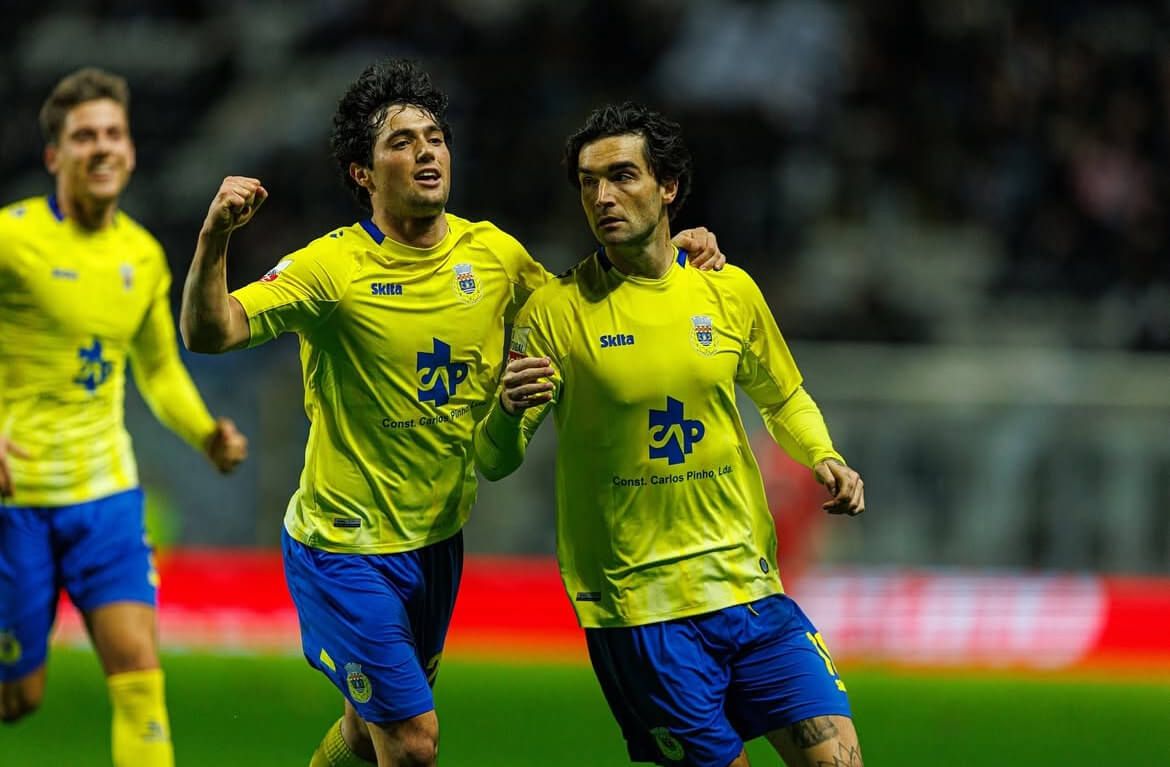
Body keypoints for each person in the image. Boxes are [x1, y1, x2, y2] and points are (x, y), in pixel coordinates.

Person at [179, 59, 724, 767]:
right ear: (363, 175)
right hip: (344, 544)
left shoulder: (492, 254)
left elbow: (582, 308)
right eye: (401, 142)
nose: (426, 151)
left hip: (437, 541)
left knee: (363, 731)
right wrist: (215, 237)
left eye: (434, 136)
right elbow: (209, 332)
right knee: (412, 741)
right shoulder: (330, 268)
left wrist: (669, 256)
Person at [473, 102, 867, 767]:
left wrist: (823, 454)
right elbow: (493, 461)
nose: (602, 196)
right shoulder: (555, 314)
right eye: (588, 182)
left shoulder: (728, 291)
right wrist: (507, 412)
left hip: (750, 589)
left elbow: (784, 397)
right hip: (641, 614)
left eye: (622, 175)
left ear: (669, 187)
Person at [0, 68, 248, 767]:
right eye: (84, 136)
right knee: (17, 699)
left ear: (132, 151)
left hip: (106, 493)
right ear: (54, 156)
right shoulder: (11, 239)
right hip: (16, 500)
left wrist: (205, 431)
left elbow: (160, 368)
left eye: (113, 133)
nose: (101, 147)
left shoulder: (142, 254)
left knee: (140, 672)